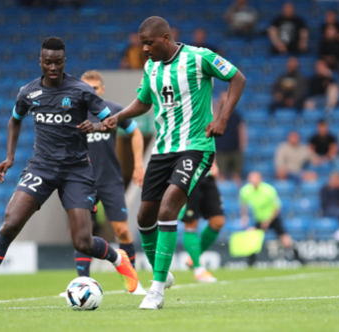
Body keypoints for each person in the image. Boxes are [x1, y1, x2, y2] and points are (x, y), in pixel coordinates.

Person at [0, 37, 139, 311]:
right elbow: (15, 120)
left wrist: (97, 128)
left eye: (58, 62)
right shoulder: (28, 92)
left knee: (83, 242)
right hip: (41, 167)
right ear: (40, 62)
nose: (53, 67)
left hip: (76, 171)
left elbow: (111, 122)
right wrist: (10, 157)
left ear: (64, 62)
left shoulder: (81, 90)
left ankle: (118, 258)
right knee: (10, 223)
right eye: (48, 62)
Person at [103, 16, 246, 309]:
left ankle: (156, 290)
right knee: (144, 216)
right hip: (163, 149)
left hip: (196, 148)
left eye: (149, 43)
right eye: (142, 43)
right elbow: (144, 101)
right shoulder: (151, 67)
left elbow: (237, 77)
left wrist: (222, 118)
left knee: (169, 208)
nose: (144, 49)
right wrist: (119, 116)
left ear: (165, 38)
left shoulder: (199, 57)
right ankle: (162, 271)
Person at [74, 70, 147, 295]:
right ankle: (82, 283)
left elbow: (135, 133)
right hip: (82, 180)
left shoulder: (112, 111)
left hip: (110, 180)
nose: (90, 92)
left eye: (94, 88)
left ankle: (132, 281)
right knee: (83, 233)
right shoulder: (73, 114)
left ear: (102, 90)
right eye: (86, 87)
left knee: (123, 231)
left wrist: (137, 165)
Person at [239, 172, 303, 266]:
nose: (253, 181)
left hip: (273, 218)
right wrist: (245, 217)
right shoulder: (245, 191)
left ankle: (300, 259)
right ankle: (251, 263)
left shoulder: (268, 190)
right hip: (259, 219)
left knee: (285, 240)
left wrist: (268, 220)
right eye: (251, 179)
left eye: (255, 178)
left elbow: (277, 207)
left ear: (260, 179)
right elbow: (243, 205)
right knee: (252, 238)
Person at [179, 162, 224, 282]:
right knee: (191, 223)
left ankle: (194, 257)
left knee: (218, 221)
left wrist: (214, 162)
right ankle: (199, 270)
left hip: (208, 176)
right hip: (190, 176)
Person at [214, 92, 246, 182]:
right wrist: (217, 107)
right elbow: (212, 123)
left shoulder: (236, 115)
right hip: (221, 149)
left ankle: (239, 194)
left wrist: (242, 144)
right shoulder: (217, 114)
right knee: (221, 175)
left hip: (235, 148)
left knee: (237, 175)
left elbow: (241, 130)